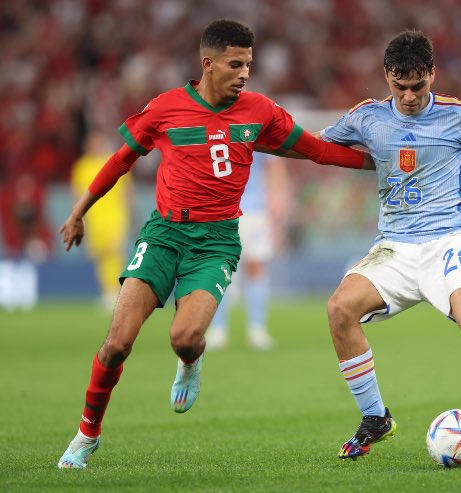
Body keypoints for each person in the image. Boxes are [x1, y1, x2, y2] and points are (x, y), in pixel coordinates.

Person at [56, 18, 372, 470]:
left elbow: (316, 149)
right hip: (163, 234)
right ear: (208, 63)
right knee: (116, 344)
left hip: (218, 240)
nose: (245, 73)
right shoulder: (165, 108)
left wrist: (378, 165)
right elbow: (121, 159)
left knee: (185, 337)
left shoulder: (259, 110)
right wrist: (78, 211)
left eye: (249, 64)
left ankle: (191, 360)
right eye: (235, 64)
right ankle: (87, 436)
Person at [319, 30, 461, 468]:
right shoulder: (366, 117)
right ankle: (375, 418)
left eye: (417, 86)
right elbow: (319, 147)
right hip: (392, 248)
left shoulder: (460, 117)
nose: (408, 96)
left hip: (448, 243)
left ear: (432, 74)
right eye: (399, 86)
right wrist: (261, 138)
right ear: (387, 77)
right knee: (338, 310)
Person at [206, 151, 285, 350]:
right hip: (221, 210)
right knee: (220, 269)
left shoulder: (255, 126)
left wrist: (277, 197)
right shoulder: (214, 127)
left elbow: (274, 164)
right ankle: (218, 329)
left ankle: (257, 329)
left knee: (255, 267)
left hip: (255, 210)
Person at [70, 130, 131, 310]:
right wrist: (78, 216)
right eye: (91, 142)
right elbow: (76, 192)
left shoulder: (115, 161)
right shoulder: (81, 166)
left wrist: (130, 212)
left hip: (115, 216)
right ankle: (108, 292)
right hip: (94, 218)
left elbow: (128, 191)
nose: (94, 145)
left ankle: (117, 292)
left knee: (114, 253)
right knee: (100, 255)